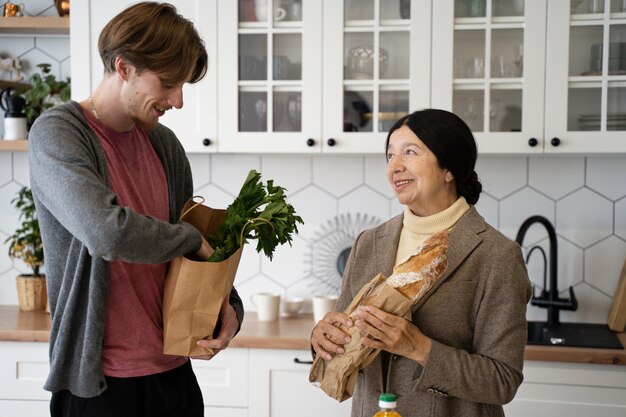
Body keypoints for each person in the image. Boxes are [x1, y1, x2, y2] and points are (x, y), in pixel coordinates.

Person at [28, 3, 243, 416]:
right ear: (123, 67)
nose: (177, 101)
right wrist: (192, 239)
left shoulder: (164, 145)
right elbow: (106, 231)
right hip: (101, 387)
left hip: (174, 377)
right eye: (167, 83)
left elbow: (190, 247)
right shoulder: (58, 133)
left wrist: (230, 305)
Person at [311, 109, 531, 417]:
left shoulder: (496, 255)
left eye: (409, 153)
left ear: (449, 168)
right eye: (389, 156)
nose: (394, 168)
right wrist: (323, 339)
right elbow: (347, 337)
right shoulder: (368, 242)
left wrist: (419, 348)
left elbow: (502, 381)